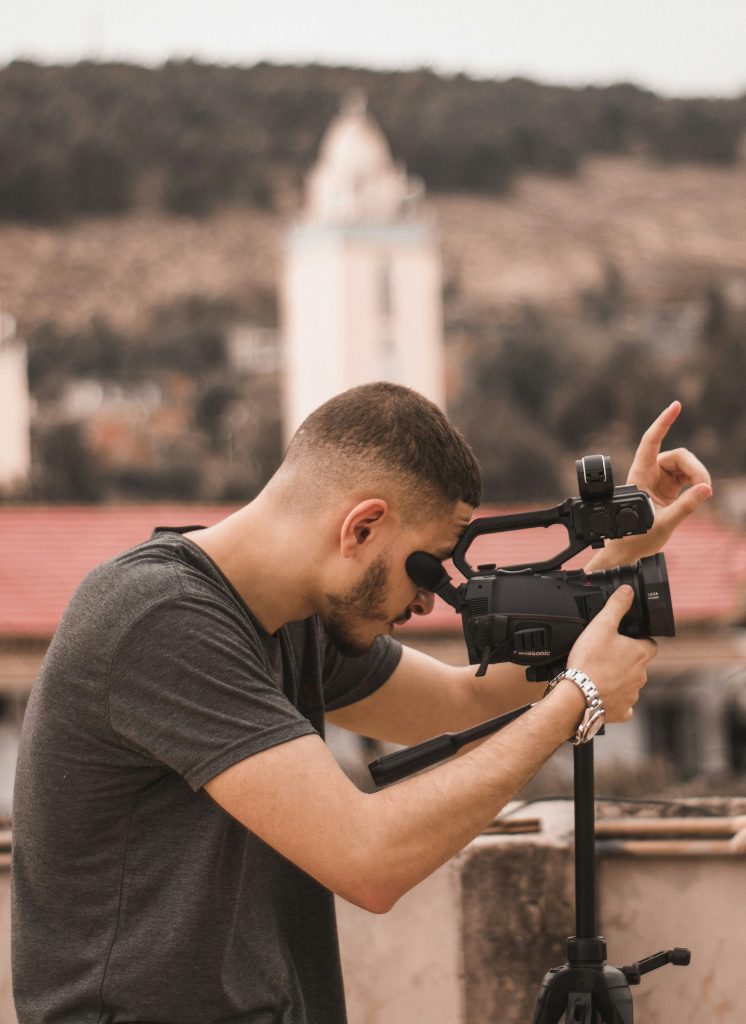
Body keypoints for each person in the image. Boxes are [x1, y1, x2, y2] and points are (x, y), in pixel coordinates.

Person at [11, 383, 711, 1024]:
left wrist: (619, 563)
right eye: (427, 565)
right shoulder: (159, 619)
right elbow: (367, 861)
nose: (433, 598)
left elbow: (458, 702)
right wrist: (577, 699)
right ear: (362, 527)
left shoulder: (292, 618)